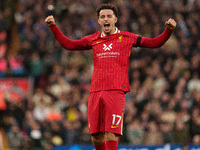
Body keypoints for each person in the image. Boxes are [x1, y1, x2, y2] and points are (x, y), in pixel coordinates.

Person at [45, 3, 176, 150]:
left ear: (115, 19)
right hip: (95, 91)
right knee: (96, 136)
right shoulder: (93, 39)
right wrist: (53, 26)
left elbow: (154, 43)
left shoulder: (127, 37)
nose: (106, 19)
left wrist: (168, 30)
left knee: (111, 133)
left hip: (115, 90)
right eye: (102, 17)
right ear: (99, 21)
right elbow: (68, 44)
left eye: (109, 16)